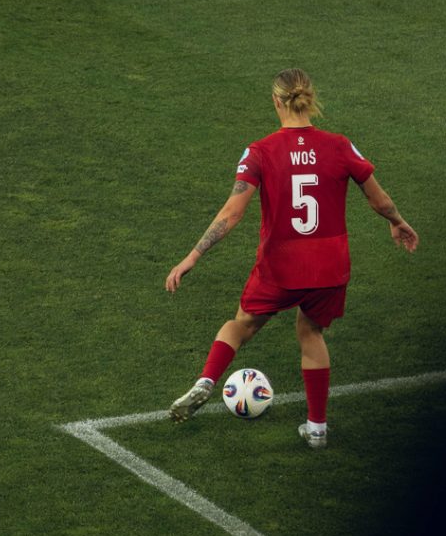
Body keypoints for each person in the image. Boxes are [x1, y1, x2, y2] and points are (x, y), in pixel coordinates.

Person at [165, 68, 418, 447]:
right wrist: (397, 222)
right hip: (330, 266)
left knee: (241, 325)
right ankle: (317, 428)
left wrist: (192, 256)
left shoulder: (260, 151)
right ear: (309, 99)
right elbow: (378, 199)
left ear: (276, 101)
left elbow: (232, 213)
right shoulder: (340, 145)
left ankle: (206, 380)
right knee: (310, 331)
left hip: (280, 266)